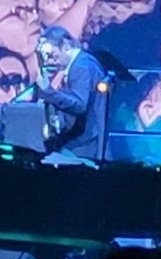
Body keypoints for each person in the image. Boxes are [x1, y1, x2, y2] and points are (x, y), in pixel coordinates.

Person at [34, 25, 108, 161]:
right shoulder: (80, 64)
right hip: (83, 141)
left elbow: (79, 105)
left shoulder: (81, 67)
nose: (52, 61)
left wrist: (48, 91)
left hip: (86, 145)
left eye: (54, 55)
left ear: (66, 46)